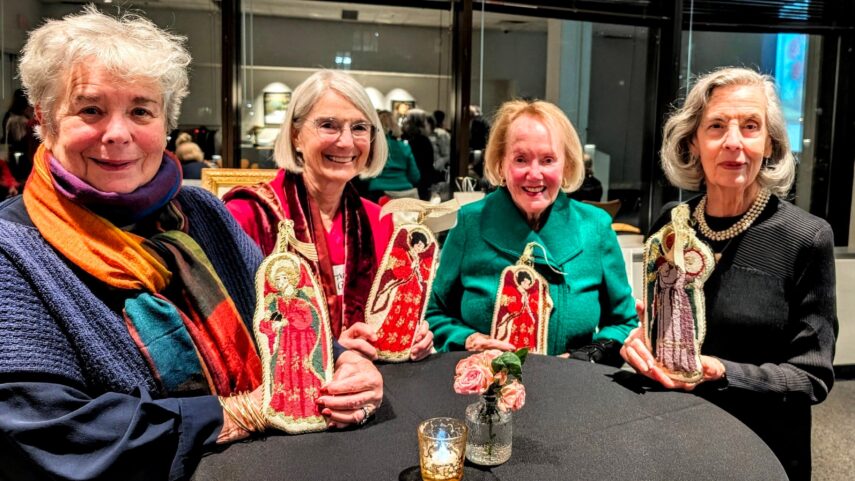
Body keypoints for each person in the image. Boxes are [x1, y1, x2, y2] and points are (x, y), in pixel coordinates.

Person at [0, 9, 382, 480]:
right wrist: (238, 413)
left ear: (165, 123)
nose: (118, 133)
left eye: (141, 110)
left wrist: (345, 366)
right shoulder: (12, 252)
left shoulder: (202, 214)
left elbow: (282, 319)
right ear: (44, 118)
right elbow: (44, 429)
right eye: (91, 109)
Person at [620, 67, 837, 481]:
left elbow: (812, 377)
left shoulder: (806, 238)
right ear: (693, 142)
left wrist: (721, 371)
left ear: (769, 144)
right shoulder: (672, 221)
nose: (733, 142)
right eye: (716, 126)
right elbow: (662, 327)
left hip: (758, 450)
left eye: (750, 126)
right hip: (672, 432)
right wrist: (641, 342)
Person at [224, 70, 434, 362]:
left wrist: (409, 333)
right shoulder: (248, 215)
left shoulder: (379, 220)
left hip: (365, 388)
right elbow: (233, 334)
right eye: (328, 125)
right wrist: (330, 349)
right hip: (282, 394)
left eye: (359, 127)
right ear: (296, 135)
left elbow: (384, 312)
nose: (346, 142)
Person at [426, 99, 638, 361]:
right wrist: (468, 340)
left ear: (566, 165)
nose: (534, 174)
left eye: (548, 160)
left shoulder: (595, 226)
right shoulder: (470, 222)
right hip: (482, 387)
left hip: (573, 387)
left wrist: (584, 357)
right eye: (521, 159)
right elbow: (434, 313)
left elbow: (624, 323)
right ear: (501, 163)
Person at [366, 110, 420, 200]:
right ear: (395, 126)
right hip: (404, 193)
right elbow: (415, 176)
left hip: (378, 193)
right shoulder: (404, 147)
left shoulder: (372, 147)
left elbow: (365, 175)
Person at [2, 88, 37, 185]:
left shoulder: (9, 116)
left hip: (14, 155)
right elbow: (19, 139)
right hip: (21, 157)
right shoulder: (18, 119)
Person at [400, 108, 437, 200]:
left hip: (404, 182)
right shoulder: (423, 140)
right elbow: (428, 164)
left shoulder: (401, 139)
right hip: (421, 184)